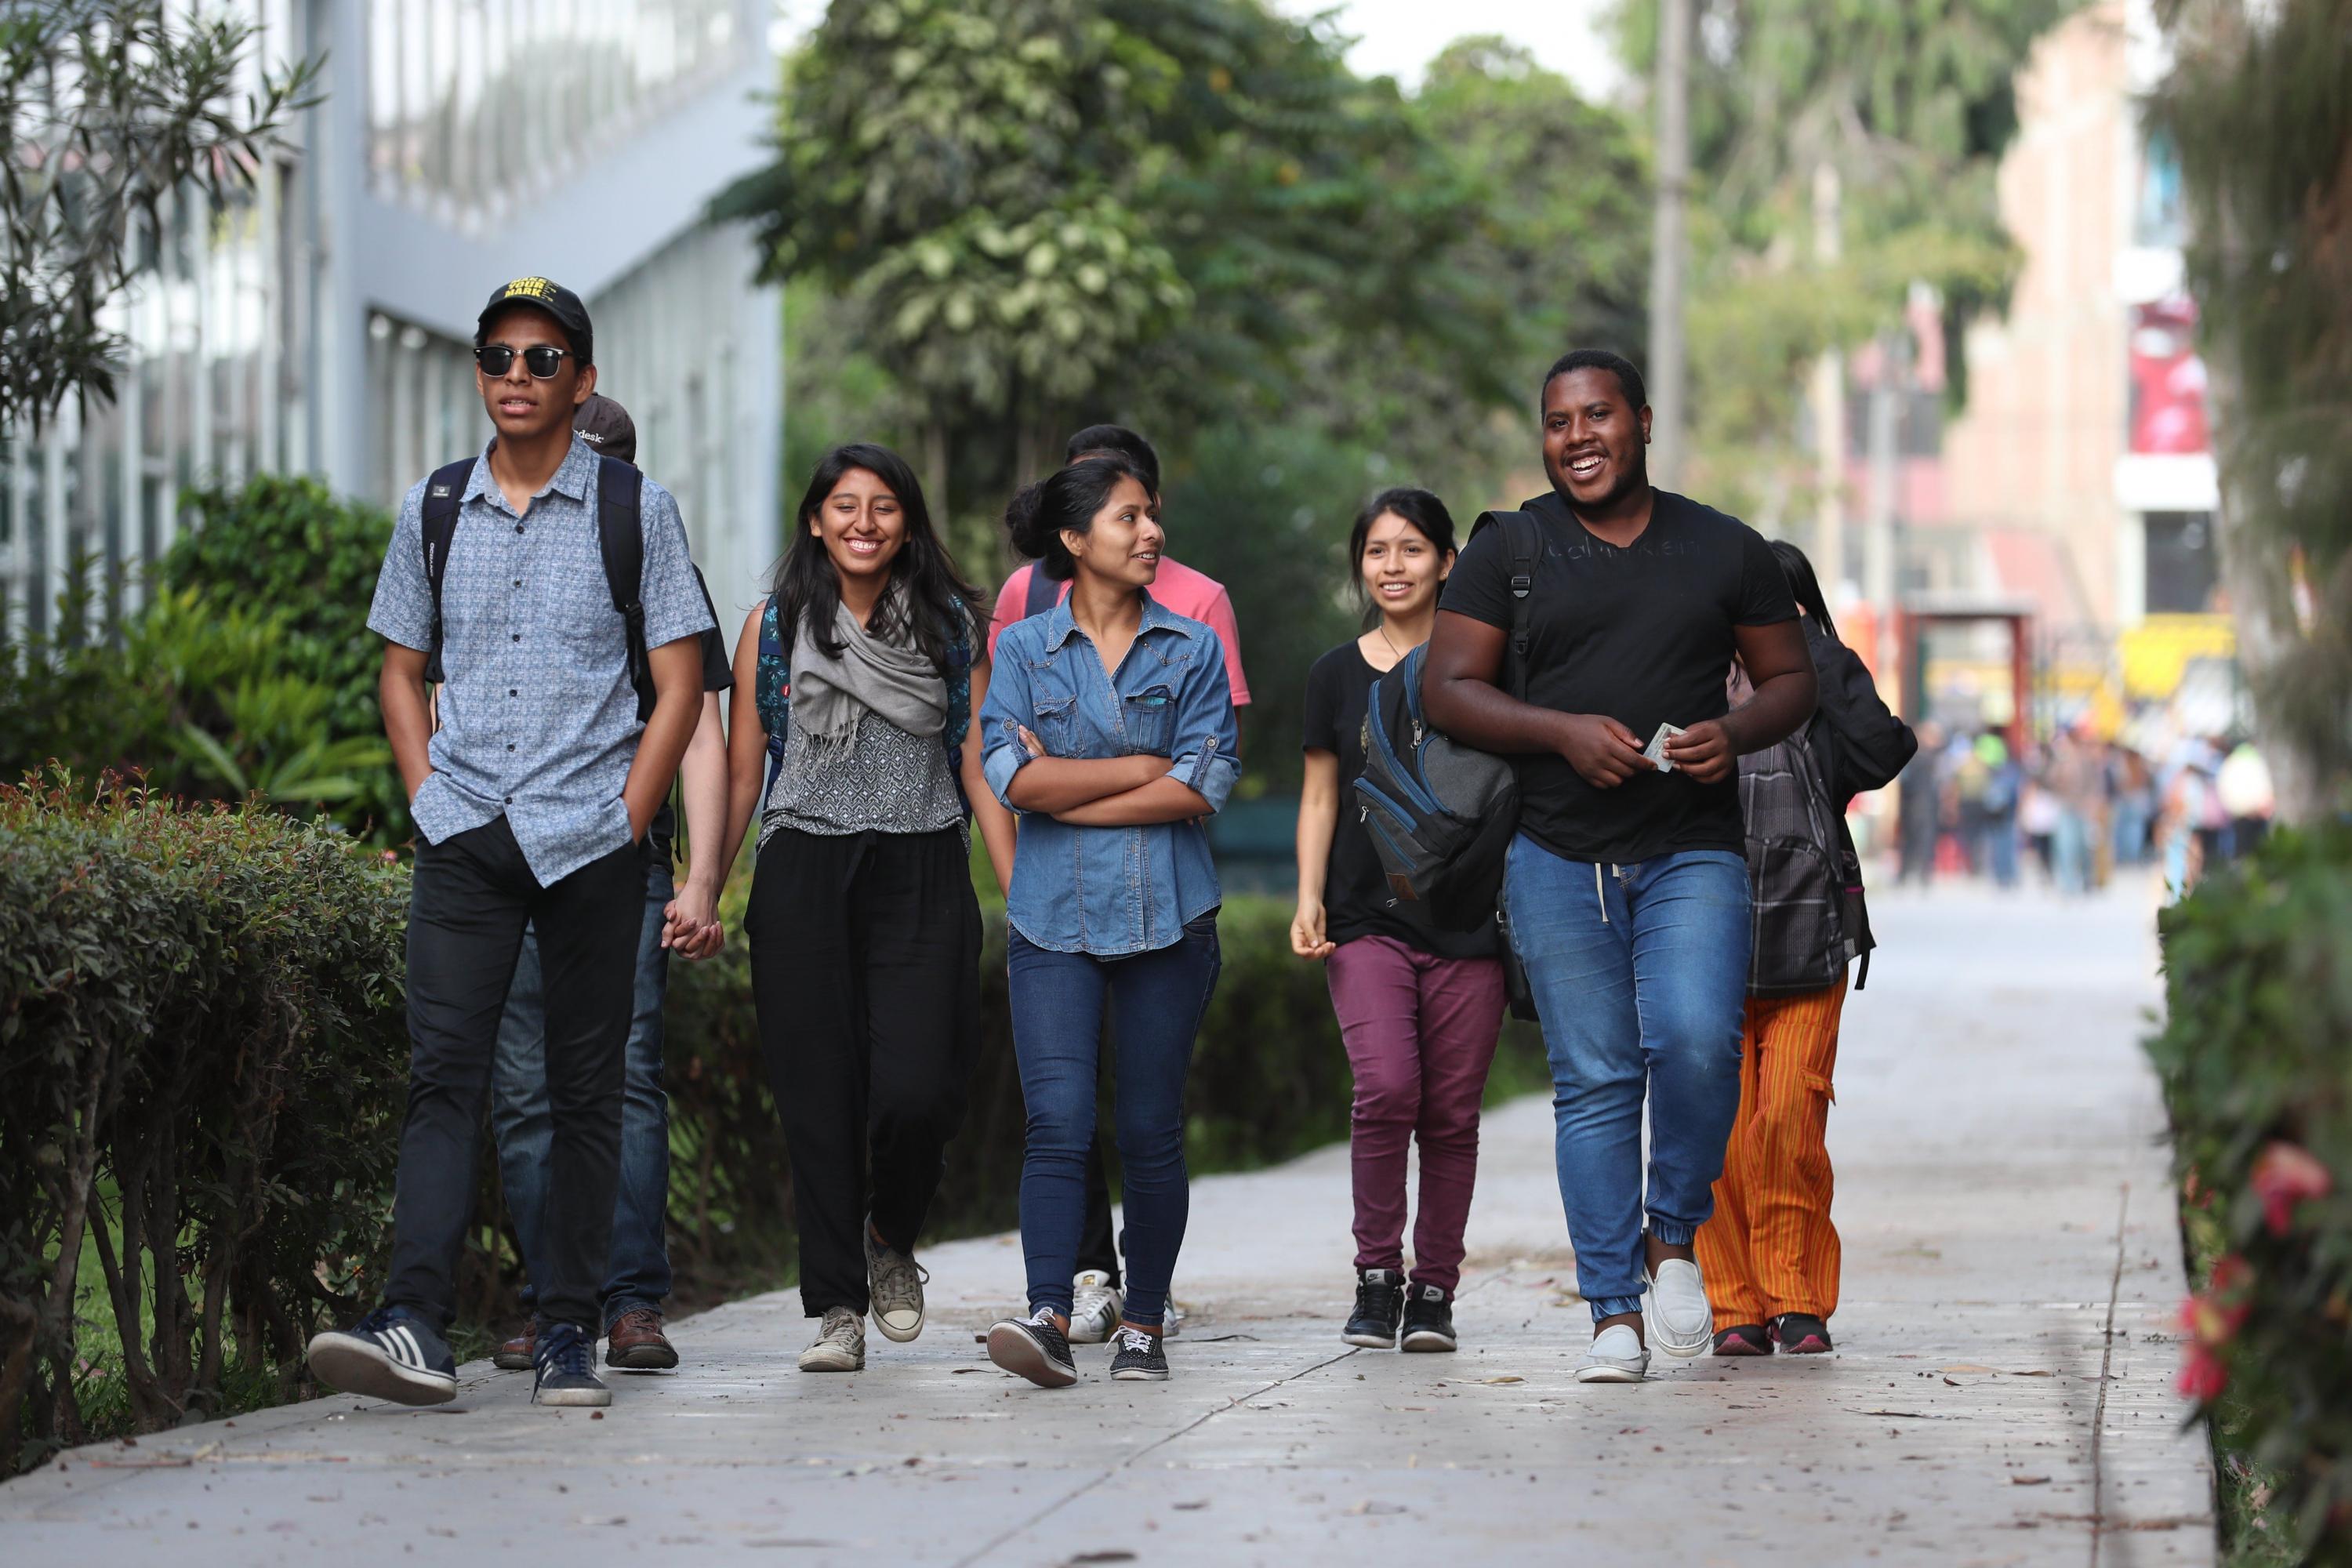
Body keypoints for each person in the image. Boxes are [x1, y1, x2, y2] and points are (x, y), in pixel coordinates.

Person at [310, 277, 714, 1409]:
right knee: (444, 1078)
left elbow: (681, 682)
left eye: (543, 358)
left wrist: (630, 818)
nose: (518, 376)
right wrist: (427, 793)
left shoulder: (638, 507)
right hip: (469, 835)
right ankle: (413, 1321)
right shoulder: (434, 505)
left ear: (583, 381)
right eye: (499, 357)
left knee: (586, 1092)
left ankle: (570, 1331)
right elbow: (401, 669)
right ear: (480, 373)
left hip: (590, 841)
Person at [1422, 348, 1816, 1385]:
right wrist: (1558, 732)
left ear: (1642, 421)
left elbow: (1791, 678)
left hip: (1692, 847)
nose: (1578, 438)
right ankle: (1612, 1313)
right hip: (1554, 854)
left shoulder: (1722, 546)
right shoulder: (1509, 547)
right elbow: (1446, 687)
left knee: (1697, 1043)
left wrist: (1734, 734)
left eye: (1598, 415)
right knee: (1594, 1080)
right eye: (1558, 423)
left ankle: (1670, 1234)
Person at [707, 444, 1015, 1374]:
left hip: (923, 863)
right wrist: (703, 885)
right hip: (803, 866)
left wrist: (1020, 886)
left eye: (884, 506)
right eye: (845, 505)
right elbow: (743, 771)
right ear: (816, 520)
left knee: (922, 1089)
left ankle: (889, 1231)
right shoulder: (773, 625)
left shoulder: (951, 625)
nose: (864, 522)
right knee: (819, 1098)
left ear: (908, 523)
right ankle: (837, 1305)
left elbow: (976, 761)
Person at [987, 423, 1250, 1344]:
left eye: (1150, 516)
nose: (1151, 532)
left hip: (1170, 918)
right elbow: (1010, 778)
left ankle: (1143, 1323)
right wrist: (1143, 769)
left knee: (1148, 1128)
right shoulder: (1022, 649)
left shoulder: (1192, 646)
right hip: (1049, 918)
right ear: (1075, 538)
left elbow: (1206, 783)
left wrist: (1068, 792)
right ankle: (1048, 1315)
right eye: (1129, 517)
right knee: (1057, 1122)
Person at [487, 394, 732, 1377]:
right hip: (508, 860)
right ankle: (556, 1300)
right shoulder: (487, 548)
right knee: (522, 1087)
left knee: (623, 1075)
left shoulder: (653, 553)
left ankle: (630, 1300)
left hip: (620, 861)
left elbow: (702, 731)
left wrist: (701, 876)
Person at [1290, 488, 1505, 1354]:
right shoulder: (1334, 674)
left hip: (1471, 924)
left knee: (1451, 1115)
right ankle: (1377, 1277)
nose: (1392, 565)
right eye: (1377, 550)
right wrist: (1309, 894)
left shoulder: (1486, 668)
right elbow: (1319, 793)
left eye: (1412, 549)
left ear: (1447, 562)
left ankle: (1435, 1290)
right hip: (1365, 919)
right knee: (1385, 1091)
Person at [1697, 539, 1915, 1357]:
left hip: (1809, 929)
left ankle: (1794, 1298)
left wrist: (1801, 646)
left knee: (1788, 1119)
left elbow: (1884, 749)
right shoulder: (1687, 670)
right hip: (1702, 932)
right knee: (1716, 1130)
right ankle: (1733, 1304)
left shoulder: (1816, 676)